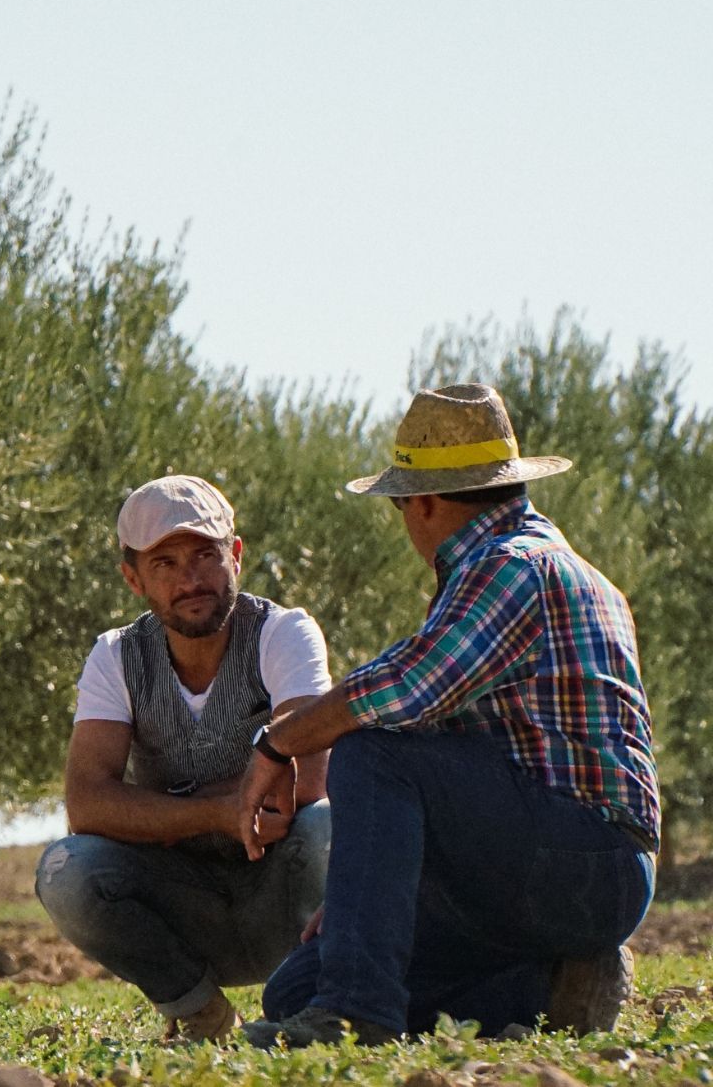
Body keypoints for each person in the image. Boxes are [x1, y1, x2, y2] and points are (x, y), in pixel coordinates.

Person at [238, 383, 659, 1047]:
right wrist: (359, 904)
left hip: (583, 863)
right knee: (294, 989)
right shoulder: (525, 567)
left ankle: (355, 1019)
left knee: (373, 747)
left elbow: (404, 691)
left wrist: (277, 745)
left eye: (400, 505)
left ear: (425, 503)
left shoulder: (513, 567)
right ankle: (556, 986)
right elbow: (451, 757)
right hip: (546, 870)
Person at [35, 475, 333, 1041]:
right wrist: (219, 811)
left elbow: (308, 781)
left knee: (327, 826)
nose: (191, 579)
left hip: (283, 898)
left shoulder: (283, 633)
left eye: (205, 555)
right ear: (133, 578)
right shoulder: (116, 657)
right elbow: (88, 803)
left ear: (236, 556)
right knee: (66, 869)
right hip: (185, 905)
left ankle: (318, 1006)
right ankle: (199, 1011)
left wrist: (157, 812)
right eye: (164, 564)